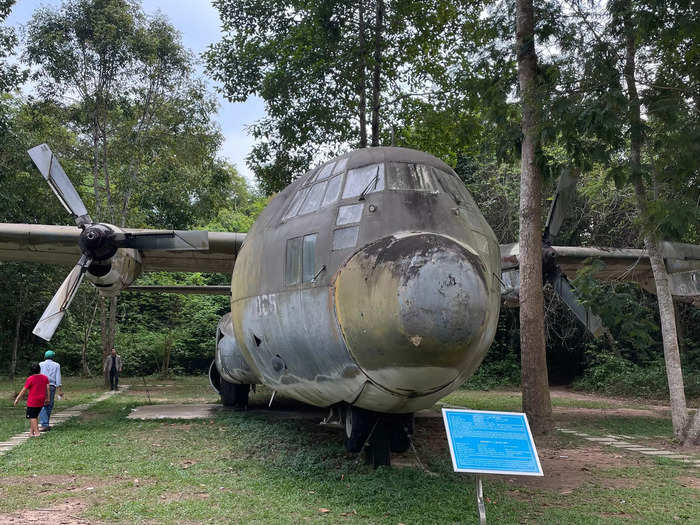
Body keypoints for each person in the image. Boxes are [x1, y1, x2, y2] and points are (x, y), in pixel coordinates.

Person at [14, 363, 50, 437]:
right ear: (39, 370)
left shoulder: (30, 378)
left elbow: (24, 390)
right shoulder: (45, 377)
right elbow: (48, 388)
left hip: (33, 400)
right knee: (35, 415)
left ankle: (37, 433)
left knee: (32, 417)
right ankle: (31, 432)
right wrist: (48, 398)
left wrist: (17, 398)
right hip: (41, 400)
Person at [39, 350, 63, 432]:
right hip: (51, 386)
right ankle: (45, 424)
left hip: (41, 386)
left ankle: (45, 423)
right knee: (49, 404)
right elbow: (58, 377)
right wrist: (59, 389)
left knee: (42, 404)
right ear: (53, 357)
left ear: (45, 356)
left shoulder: (41, 364)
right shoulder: (57, 365)